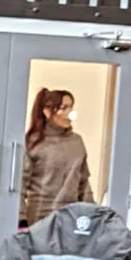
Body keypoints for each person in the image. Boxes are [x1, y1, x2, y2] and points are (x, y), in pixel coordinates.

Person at [22, 85, 93, 225]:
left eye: (71, 107)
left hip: (70, 218)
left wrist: (92, 214)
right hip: (39, 219)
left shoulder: (77, 142)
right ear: (47, 112)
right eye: (64, 107)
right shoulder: (33, 142)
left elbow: (84, 183)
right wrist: (21, 220)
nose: (70, 113)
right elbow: (20, 184)